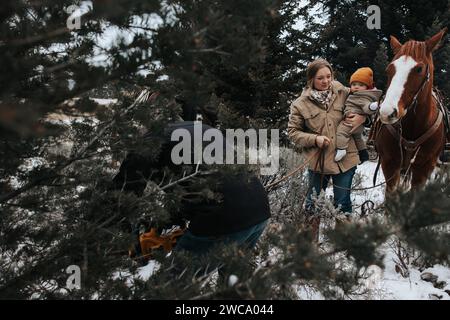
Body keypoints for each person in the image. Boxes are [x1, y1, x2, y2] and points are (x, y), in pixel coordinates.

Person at [111, 120, 271, 257]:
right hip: (259, 207)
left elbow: (123, 197)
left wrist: (127, 241)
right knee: (232, 286)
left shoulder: (146, 145)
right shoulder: (193, 128)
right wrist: (169, 224)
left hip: (224, 217)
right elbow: (199, 181)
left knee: (173, 286)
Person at [287, 59, 366, 224]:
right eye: (320, 78)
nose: (325, 81)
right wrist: (314, 139)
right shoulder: (300, 104)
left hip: (345, 159)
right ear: (311, 80)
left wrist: (362, 117)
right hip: (318, 162)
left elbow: (365, 102)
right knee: (313, 204)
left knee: (342, 203)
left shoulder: (343, 92)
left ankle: (344, 241)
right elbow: (293, 133)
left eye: (328, 76)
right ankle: (309, 242)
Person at [334, 67, 382, 162]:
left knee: (341, 132)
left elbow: (366, 107)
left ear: (367, 87)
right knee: (358, 138)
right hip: (357, 126)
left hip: (350, 122)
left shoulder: (361, 96)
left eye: (360, 85)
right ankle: (363, 152)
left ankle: (341, 149)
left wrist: (372, 107)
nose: (356, 87)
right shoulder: (352, 94)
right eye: (354, 84)